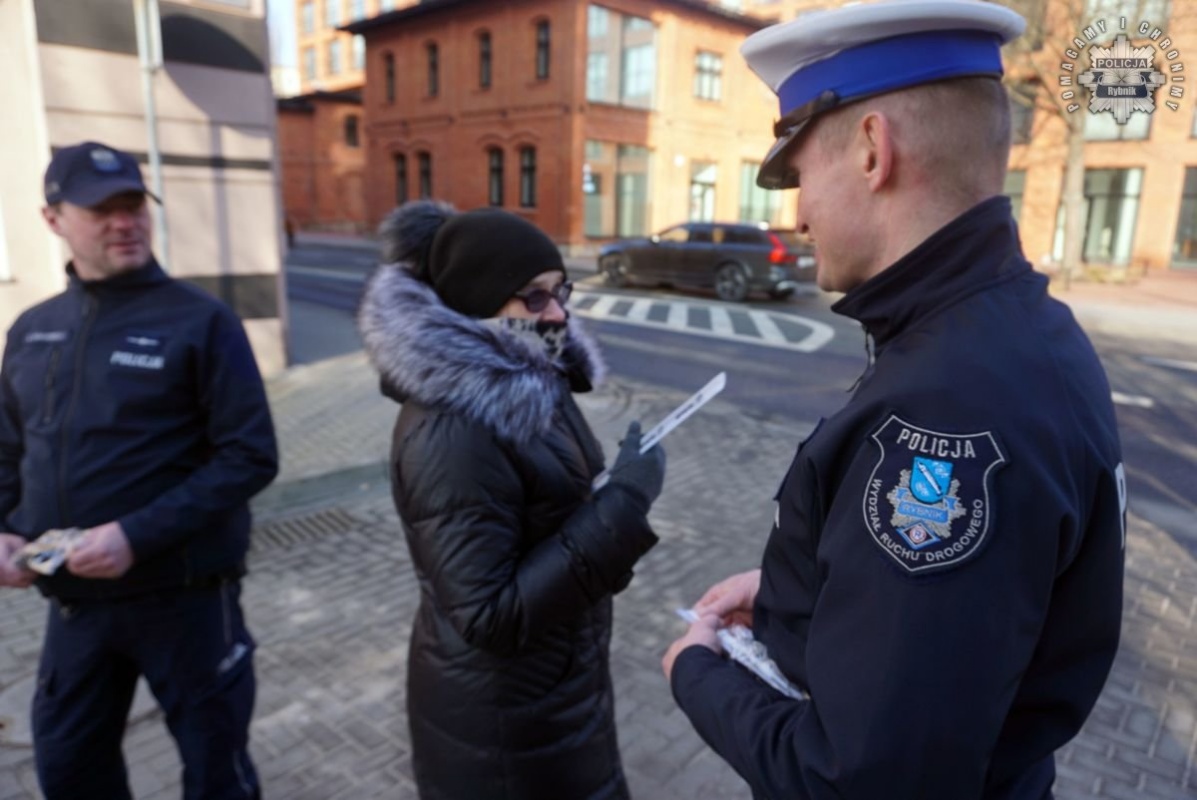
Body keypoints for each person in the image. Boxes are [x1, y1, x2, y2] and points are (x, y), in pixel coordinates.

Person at [662, 2, 1127, 798]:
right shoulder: (1017, 332)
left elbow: (863, 782)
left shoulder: (949, 408)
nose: (797, 213)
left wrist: (695, 675)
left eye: (799, 174)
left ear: (873, 150)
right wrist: (788, 594)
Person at [357, 200, 666, 800]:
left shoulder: (533, 376)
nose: (558, 314)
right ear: (477, 305)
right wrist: (623, 506)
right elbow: (488, 615)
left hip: (551, 696)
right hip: (501, 730)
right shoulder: (453, 430)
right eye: (533, 298)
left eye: (561, 291)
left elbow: (554, 520)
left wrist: (611, 500)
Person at [0, 141, 278, 799]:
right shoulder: (33, 329)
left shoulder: (202, 321)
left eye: (132, 206)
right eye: (101, 210)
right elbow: (8, 449)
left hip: (184, 598)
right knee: (68, 767)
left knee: (217, 773)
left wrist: (136, 535)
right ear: (53, 219)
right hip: (75, 603)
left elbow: (249, 454)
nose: (123, 222)